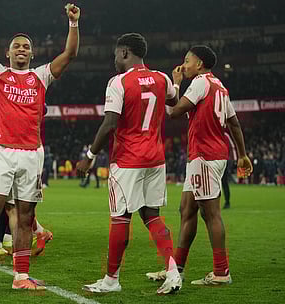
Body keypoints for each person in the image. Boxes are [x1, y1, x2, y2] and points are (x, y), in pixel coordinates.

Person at [0, 0, 79, 291]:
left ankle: (20, 276)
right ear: (7, 52)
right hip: (2, 152)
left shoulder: (40, 76)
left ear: (32, 53)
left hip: (32, 154)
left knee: (26, 217)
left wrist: (73, 22)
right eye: (17, 45)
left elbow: (69, 53)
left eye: (26, 46)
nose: (21, 49)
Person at [76, 33, 182, 294]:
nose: (114, 59)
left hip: (127, 160)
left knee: (120, 218)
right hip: (155, 159)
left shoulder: (118, 82)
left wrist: (89, 157)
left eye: (116, 54)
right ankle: (172, 272)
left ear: (124, 53)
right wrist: (177, 84)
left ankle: (112, 280)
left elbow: (110, 123)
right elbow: (173, 102)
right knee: (152, 216)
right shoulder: (162, 78)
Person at [147, 45, 253, 286]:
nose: (183, 65)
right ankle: (177, 269)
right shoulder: (220, 87)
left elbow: (173, 111)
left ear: (200, 64)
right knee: (187, 209)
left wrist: (174, 85)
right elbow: (234, 123)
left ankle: (221, 272)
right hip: (207, 156)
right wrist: (242, 155)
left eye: (187, 60)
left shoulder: (200, 82)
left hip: (205, 156)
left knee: (210, 213)